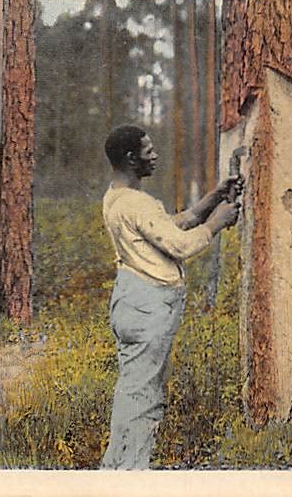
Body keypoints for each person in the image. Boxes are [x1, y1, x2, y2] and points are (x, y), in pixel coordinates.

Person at [100, 124, 242, 469]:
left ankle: (119, 466)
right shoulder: (137, 203)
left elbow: (166, 229)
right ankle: (129, 472)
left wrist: (211, 200)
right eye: (149, 150)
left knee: (134, 390)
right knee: (143, 397)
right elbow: (178, 245)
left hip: (131, 300)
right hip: (148, 308)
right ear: (131, 158)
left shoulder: (117, 196)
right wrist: (216, 223)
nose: (156, 155)